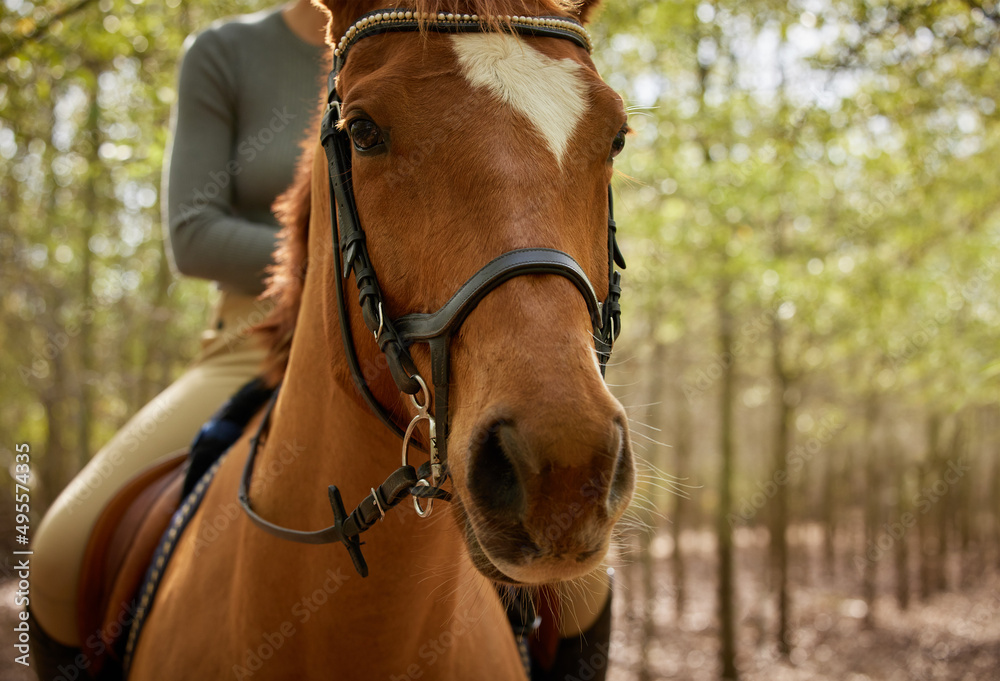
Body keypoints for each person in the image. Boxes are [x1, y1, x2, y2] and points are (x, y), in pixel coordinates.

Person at [31, 0, 328, 653]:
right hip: (253, 340)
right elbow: (193, 235)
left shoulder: (433, 42)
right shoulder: (224, 52)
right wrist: (343, 260)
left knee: (583, 582)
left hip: (410, 354)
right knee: (59, 550)